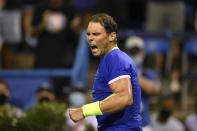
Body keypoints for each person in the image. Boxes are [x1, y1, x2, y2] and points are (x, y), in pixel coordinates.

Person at [69, 13, 142, 131]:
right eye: (88, 34)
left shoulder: (114, 59)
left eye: (96, 34)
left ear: (112, 36)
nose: (90, 38)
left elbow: (124, 98)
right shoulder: (111, 59)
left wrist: (84, 111)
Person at [125, 36, 160, 131]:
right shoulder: (118, 70)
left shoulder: (147, 72)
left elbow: (153, 89)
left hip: (144, 125)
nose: (135, 54)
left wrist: (132, 74)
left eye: (137, 50)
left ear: (143, 52)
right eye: (132, 51)